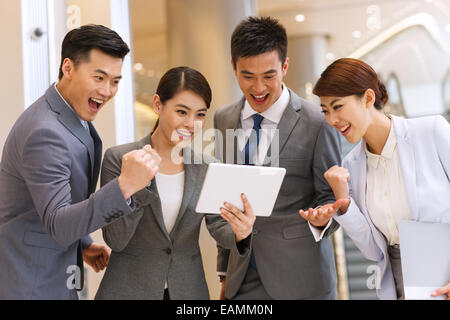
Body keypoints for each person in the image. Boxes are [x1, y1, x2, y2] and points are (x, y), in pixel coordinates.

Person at [0, 24, 159, 299]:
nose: (108, 91)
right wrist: (124, 186)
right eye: (99, 77)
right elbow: (59, 225)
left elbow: (51, 201)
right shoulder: (45, 131)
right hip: (31, 284)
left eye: (115, 81)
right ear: (68, 68)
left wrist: (83, 243)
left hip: (52, 274)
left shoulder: (70, 115)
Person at [95, 66, 255, 300]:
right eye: (182, 112)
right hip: (128, 289)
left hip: (188, 291)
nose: (191, 123)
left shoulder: (207, 167)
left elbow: (220, 228)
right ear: (158, 105)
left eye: (200, 114)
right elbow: (116, 239)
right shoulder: (120, 159)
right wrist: (139, 184)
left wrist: (242, 232)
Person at [214, 16, 342, 300]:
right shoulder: (224, 119)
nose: (258, 88)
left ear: (285, 67)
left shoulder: (318, 122)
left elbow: (329, 198)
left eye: (269, 76)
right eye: (248, 76)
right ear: (233, 67)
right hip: (242, 280)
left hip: (303, 282)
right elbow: (225, 199)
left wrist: (322, 219)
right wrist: (224, 273)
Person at [300, 57, 450, 300]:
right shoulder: (352, 166)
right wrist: (344, 203)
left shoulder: (431, 132)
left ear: (368, 98)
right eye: (325, 111)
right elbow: (373, 249)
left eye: (338, 107)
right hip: (401, 285)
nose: (331, 120)